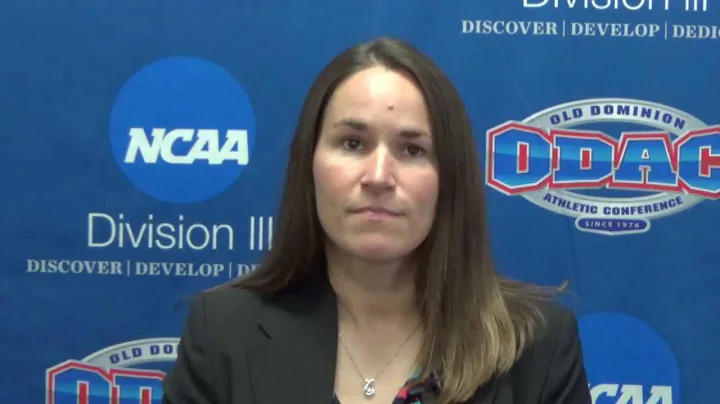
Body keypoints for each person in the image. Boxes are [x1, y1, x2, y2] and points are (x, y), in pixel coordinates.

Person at [161, 36, 592, 404]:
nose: (379, 177)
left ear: (450, 180)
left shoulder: (538, 347)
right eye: (352, 143)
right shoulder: (222, 332)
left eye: (412, 150)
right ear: (309, 166)